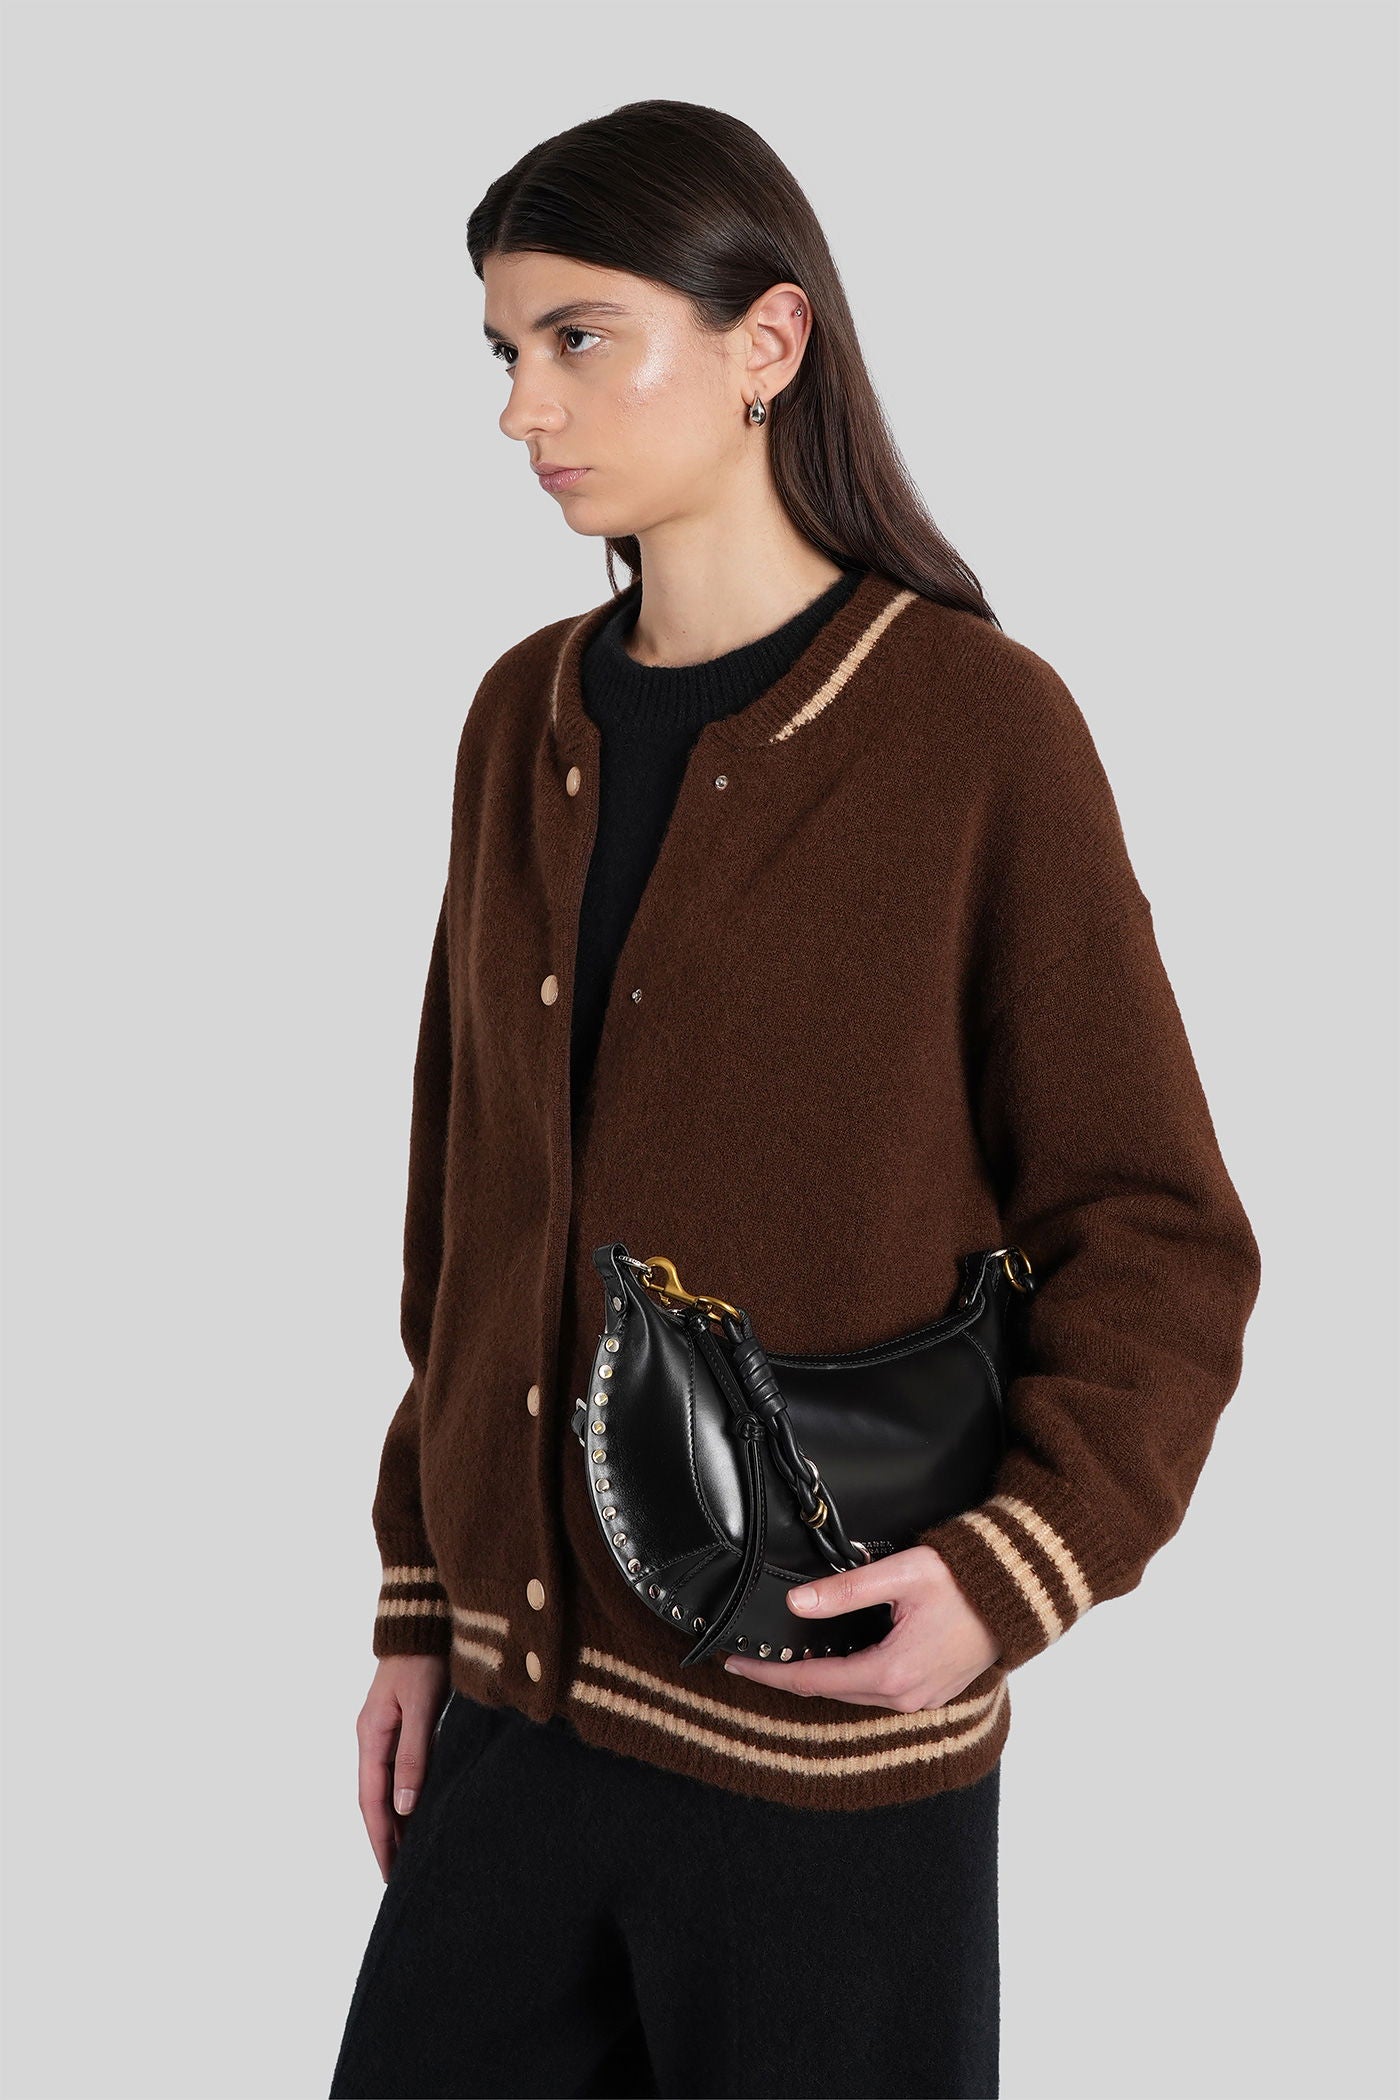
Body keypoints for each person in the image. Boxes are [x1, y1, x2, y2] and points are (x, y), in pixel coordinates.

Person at [327, 99, 1261, 2100]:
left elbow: (1156, 1231)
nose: (522, 408)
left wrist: (1016, 1572)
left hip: (826, 1748)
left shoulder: (971, 727)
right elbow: (464, 1204)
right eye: (504, 350)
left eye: (580, 338)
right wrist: (419, 1598)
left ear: (767, 343)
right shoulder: (523, 718)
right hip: (514, 1727)